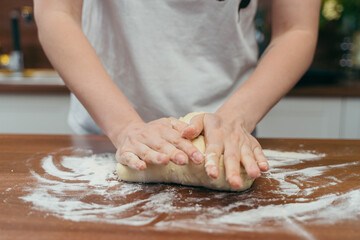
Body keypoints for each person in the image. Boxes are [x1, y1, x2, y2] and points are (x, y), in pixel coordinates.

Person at [33, 0, 321, 189]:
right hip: (104, 136)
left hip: (229, 137)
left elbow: (296, 29)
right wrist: (125, 128)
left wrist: (235, 119)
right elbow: (56, 14)